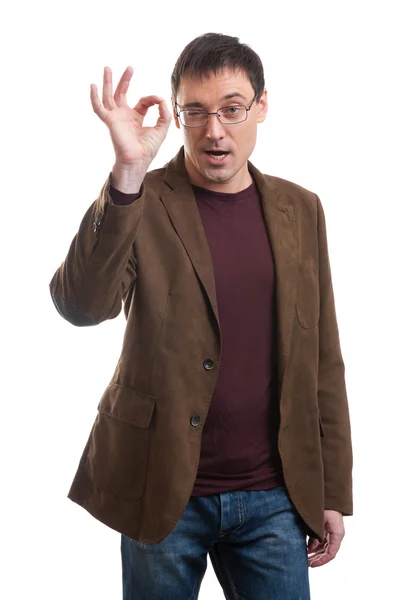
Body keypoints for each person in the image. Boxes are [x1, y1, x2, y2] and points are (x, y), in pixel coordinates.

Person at [49, 32, 353, 600]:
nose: (215, 130)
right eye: (195, 112)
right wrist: (127, 175)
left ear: (262, 107)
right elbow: (80, 306)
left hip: (273, 495)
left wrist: (332, 487)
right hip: (163, 486)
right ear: (178, 113)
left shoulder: (301, 209)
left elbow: (324, 358)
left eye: (232, 109)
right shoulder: (143, 198)